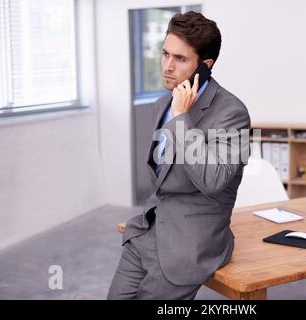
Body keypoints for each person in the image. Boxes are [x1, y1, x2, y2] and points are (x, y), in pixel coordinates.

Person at [107, 11, 251, 300]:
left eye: (180, 59)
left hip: (189, 243)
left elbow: (213, 180)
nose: (168, 66)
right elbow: (163, 175)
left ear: (205, 66)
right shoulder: (162, 103)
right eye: (165, 54)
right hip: (146, 232)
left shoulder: (232, 113)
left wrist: (182, 117)